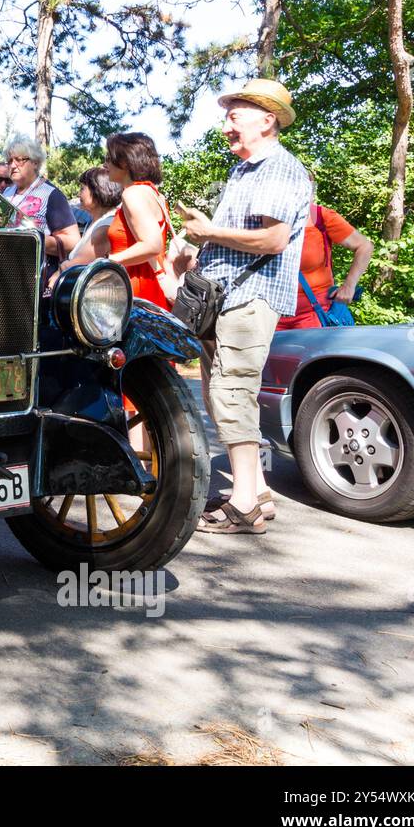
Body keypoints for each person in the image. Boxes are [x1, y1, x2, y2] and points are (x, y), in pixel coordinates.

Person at [177, 79, 312, 535]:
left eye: (234, 115)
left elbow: (273, 241)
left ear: (266, 119)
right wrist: (198, 255)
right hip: (229, 300)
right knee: (226, 393)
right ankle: (255, 494)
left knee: (232, 392)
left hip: (249, 299)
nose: (226, 125)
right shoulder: (247, 170)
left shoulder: (277, 169)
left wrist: (208, 232)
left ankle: (244, 508)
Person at [58, 132, 173, 309]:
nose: (105, 165)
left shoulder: (132, 194)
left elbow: (152, 245)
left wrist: (107, 261)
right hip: (148, 287)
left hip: (135, 289)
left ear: (125, 162)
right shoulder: (153, 193)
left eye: (109, 158)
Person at [277, 196, 373, 330]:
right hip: (268, 314)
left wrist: (349, 286)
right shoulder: (259, 217)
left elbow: (364, 246)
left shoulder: (320, 217)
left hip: (314, 312)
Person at [2, 135, 79, 266]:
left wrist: (32, 239)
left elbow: (73, 242)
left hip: (36, 276)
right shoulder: (7, 193)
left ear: (35, 162)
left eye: (19, 160)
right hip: (5, 270)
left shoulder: (52, 195)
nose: (13, 165)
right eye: (9, 161)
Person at [65, 166, 121, 262]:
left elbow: (76, 264)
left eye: (82, 189)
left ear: (97, 191)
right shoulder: (94, 221)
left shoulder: (105, 226)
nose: (78, 194)